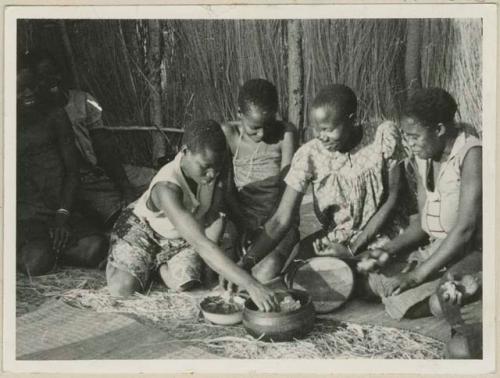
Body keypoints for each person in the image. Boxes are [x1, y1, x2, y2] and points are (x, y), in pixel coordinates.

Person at [106, 119, 279, 312]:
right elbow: (200, 243)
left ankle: (157, 266)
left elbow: (218, 209)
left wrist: (244, 229)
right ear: (185, 151)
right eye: (205, 167)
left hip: (182, 236)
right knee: (123, 288)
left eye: (217, 167)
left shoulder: (215, 163)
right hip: (144, 231)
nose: (212, 174)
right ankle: (129, 254)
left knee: (186, 282)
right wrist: (251, 284)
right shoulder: (166, 187)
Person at [238, 84, 405, 275]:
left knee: (363, 276)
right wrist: (245, 263)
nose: (320, 136)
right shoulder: (310, 154)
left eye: (327, 129)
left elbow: (395, 196)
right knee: (295, 274)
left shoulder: (382, 136)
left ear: (352, 120)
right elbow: (282, 219)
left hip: (384, 231)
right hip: (340, 237)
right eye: (316, 129)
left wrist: (352, 250)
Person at [358, 88, 482, 320]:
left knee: (437, 303)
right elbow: (423, 223)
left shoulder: (471, 155)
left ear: (439, 130)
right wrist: (386, 250)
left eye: (414, 136)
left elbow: (465, 231)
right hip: (435, 248)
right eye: (406, 136)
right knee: (369, 282)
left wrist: (415, 276)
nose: (409, 143)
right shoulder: (425, 154)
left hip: (469, 250)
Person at [31, 49, 156, 227]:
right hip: (78, 183)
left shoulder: (83, 101)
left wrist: (125, 186)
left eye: (54, 72)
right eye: (42, 77)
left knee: (157, 181)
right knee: (122, 216)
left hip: (101, 169)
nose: (51, 80)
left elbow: (104, 146)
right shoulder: (37, 119)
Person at [17, 53, 106, 276]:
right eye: (19, 89)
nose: (28, 94)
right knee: (35, 264)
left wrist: (62, 214)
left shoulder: (56, 116)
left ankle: (52, 246)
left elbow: (72, 171)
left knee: (95, 248)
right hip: (26, 214)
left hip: (60, 208)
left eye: (32, 86)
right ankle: (44, 248)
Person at [221, 79, 298, 283]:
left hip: (276, 221)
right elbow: (227, 190)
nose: (262, 133)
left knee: (264, 272)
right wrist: (243, 226)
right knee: (221, 267)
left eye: (268, 124)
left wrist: (263, 230)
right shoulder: (229, 134)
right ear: (240, 114)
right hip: (239, 218)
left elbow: (286, 191)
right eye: (254, 128)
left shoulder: (286, 134)